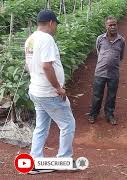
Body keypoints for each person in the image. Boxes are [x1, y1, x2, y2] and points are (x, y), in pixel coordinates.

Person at [25, 10, 76, 174]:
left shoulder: (31, 39)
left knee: (41, 126)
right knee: (68, 124)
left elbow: (29, 65)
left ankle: (34, 162)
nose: (56, 28)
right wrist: (58, 88)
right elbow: (46, 66)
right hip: (48, 93)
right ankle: (64, 160)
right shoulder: (47, 39)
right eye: (56, 25)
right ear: (51, 23)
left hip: (36, 90)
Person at [88, 16, 125, 125]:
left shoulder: (121, 40)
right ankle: (93, 114)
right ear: (106, 26)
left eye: (114, 24)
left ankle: (109, 115)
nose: (113, 27)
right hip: (100, 72)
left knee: (112, 95)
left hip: (114, 73)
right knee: (97, 94)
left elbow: (121, 56)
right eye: (110, 25)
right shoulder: (100, 39)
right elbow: (98, 51)